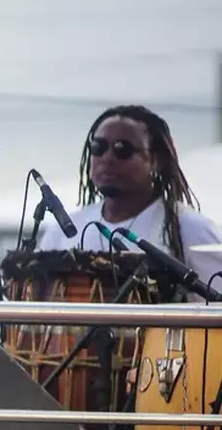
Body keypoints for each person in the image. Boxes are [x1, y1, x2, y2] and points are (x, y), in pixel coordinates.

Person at [36, 104, 222, 294]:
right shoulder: (62, 231)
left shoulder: (190, 229)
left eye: (122, 149)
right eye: (98, 147)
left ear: (156, 161)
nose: (107, 158)